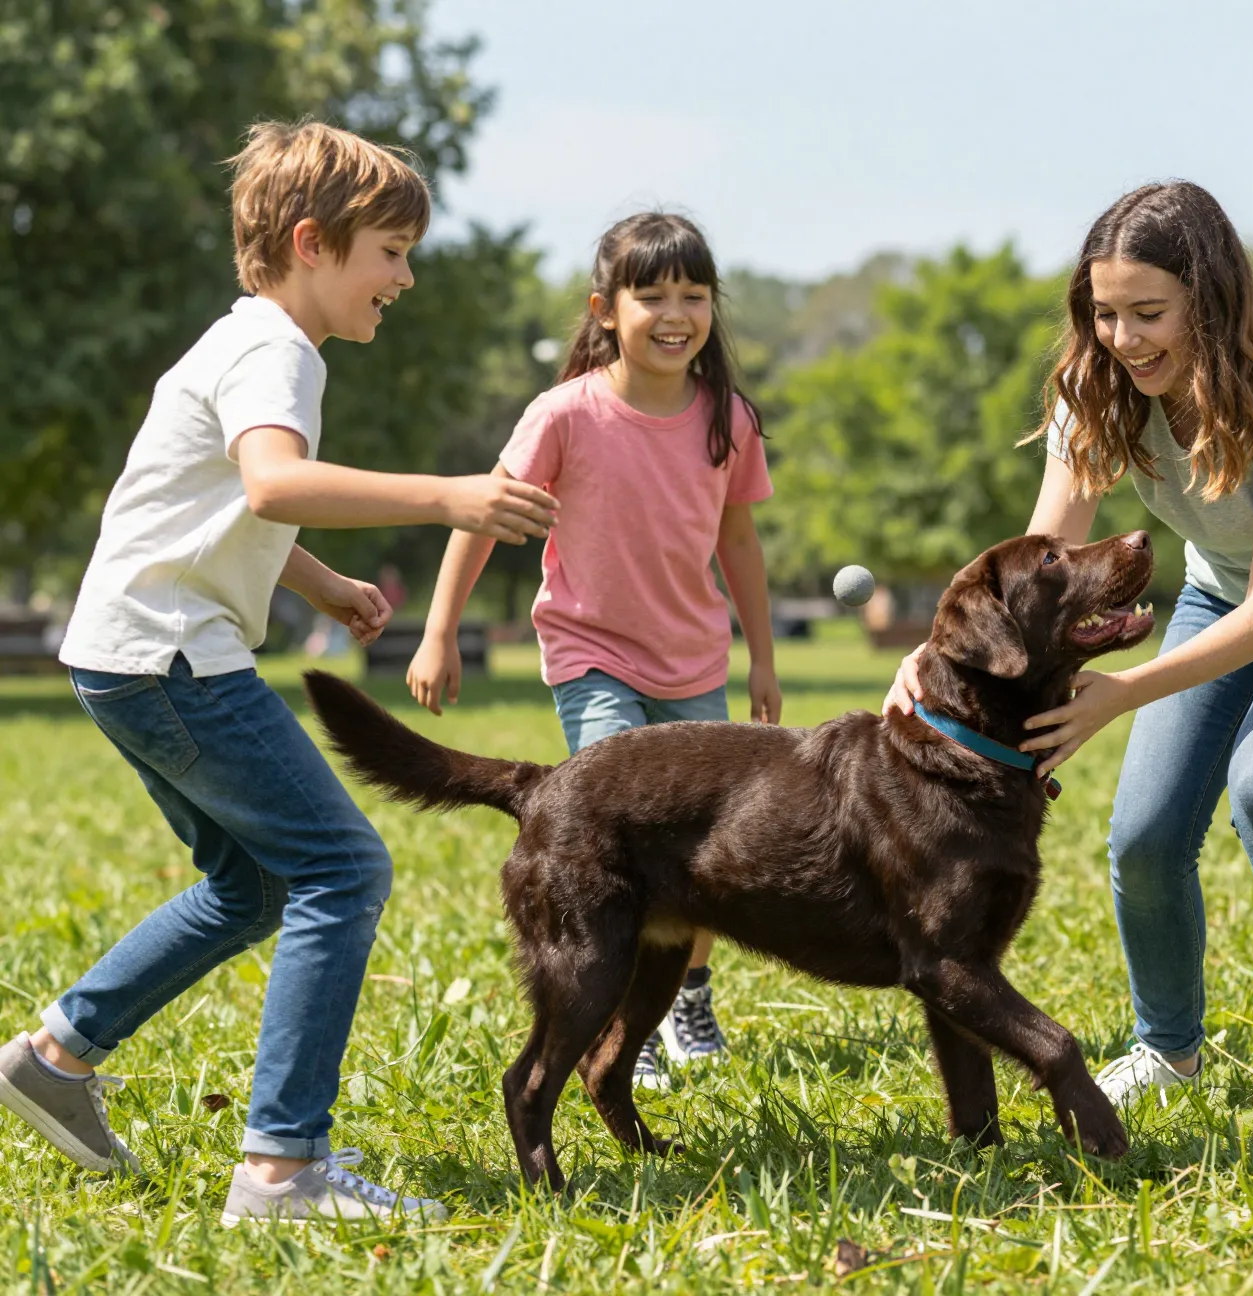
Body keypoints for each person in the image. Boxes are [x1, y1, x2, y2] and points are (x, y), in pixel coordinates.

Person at [0, 120, 559, 1223]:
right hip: (171, 660)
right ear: (313, 242)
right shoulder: (277, 352)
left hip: (122, 653)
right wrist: (448, 496)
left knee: (251, 884)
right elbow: (270, 483)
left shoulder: (241, 339)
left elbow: (226, 507)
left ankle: (54, 1058)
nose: (404, 277)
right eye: (390, 251)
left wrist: (321, 587)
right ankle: (281, 1169)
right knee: (343, 872)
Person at [887, 181, 1253, 1152]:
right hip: (1223, 590)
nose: (1125, 338)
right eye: (1105, 313)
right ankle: (1168, 1052)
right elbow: (1043, 557)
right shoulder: (1093, 392)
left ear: (1206, 302)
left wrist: (1123, 690)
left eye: (1148, 314)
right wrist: (933, 662)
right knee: (1141, 830)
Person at [406, 211, 778, 1090]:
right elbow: (486, 515)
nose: (675, 312)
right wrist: (438, 629)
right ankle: (624, 1021)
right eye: (652, 295)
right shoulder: (565, 413)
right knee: (623, 837)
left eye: (694, 294)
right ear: (605, 309)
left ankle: (687, 998)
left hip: (694, 660)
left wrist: (761, 657)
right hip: (591, 655)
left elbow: (741, 545)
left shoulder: (727, 417)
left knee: (706, 851)